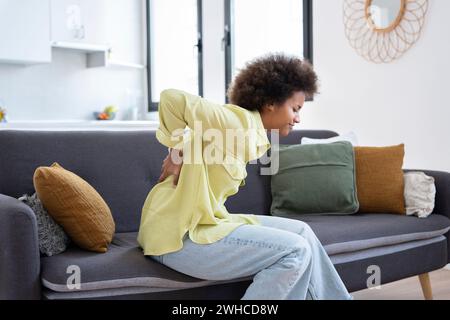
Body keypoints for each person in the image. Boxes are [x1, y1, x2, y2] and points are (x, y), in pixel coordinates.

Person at [137, 53, 352, 300]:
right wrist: (175, 151)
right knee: (295, 251)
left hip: (207, 223)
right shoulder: (235, 123)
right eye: (295, 108)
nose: (298, 118)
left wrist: (185, 147)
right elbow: (171, 99)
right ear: (271, 102)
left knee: (303, 232)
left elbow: (200, 140)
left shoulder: (255, 137)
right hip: (176, 237)